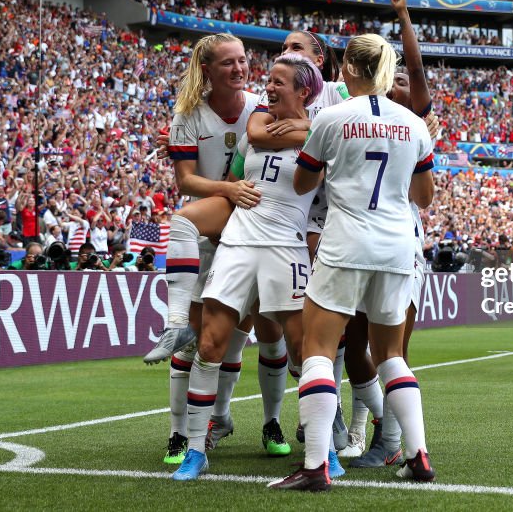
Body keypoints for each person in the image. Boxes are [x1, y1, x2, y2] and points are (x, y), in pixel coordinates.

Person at [270, 34, 436, 491]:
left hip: (345, 243)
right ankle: (417, 455)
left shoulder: (333, 117)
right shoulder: (413, 124)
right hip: (398, 246)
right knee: (390, 356)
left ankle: (315, 466)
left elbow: (304, 184)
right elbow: (424, 196)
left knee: (319, 351)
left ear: (346, 68)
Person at [173, 53, 324, 481]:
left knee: (302, 354)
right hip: (239, 243)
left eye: (279, 83)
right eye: (269, 81)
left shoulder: (323, 134)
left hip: (286, 248)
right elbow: (235, 181)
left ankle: (322, 446)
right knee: (210, 346)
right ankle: (196, 449)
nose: (268, 88)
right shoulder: (253, 132)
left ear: (304, 90)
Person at [143, 33, 267, 467]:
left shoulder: (262, 106)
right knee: (192, 340)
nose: (239, 69)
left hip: (251, 231)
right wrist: (227, 191)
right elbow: (185, 182)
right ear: (207, 70)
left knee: (233, 340)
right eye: (228, 63)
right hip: (206, 231)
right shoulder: (187, 115)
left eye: (243, 60)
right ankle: (178, 432)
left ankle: (219, 418)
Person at [347, 0, 434, 467]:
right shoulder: (356, 115)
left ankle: (392, 440)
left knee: (392, 349)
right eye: (392, 79)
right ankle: (370, 428)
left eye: (405, 82)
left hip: (400, 241)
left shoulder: (414, 119)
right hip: (359, 238)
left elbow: (416, 69)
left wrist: (402, 14)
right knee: (353, 350)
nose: (400, 85)